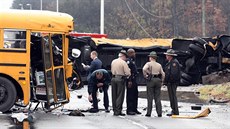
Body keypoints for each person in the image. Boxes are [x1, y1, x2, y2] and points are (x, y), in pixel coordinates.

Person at [142, 51, 165, 117]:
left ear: (151, 58)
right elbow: (163, 74)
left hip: (151, 80)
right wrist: (162, 81)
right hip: (158, 80)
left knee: (150, 97)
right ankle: (159, 112)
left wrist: (146, 74)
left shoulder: (148, 63)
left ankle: (149, 112)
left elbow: (144, 69)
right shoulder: (159, 65)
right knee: (157, 97)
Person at [111, 50, 131, 116]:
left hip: (113, 78)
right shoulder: (123, 63)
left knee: (114, 95)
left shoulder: (113, 61)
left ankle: (114, 109)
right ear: (123, 56)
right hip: (120, 79)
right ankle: (118, 110)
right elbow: (128, 73)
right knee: (120, 95)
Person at [164, 49, 181, 116]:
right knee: (171, 96)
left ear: (170, 56)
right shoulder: (170, 62)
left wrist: (169, 81)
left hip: (172, 83)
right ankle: (173, 109)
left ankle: (175, 111)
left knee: (173, 96)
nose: (166, 56)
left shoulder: (174, 63)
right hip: (170, 82)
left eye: (167, 55)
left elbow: (174, 74)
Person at [126, 49, 141, 115]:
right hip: (130, 80)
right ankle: (129, 109)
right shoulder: (128, 61)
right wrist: (129, 80)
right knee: (130, 95)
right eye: (133, 53)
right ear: (130, 53)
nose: (134, 54)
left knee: (135, 94)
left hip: (134, 79)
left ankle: (134, 108)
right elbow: (128, 71)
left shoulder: (132, 61)